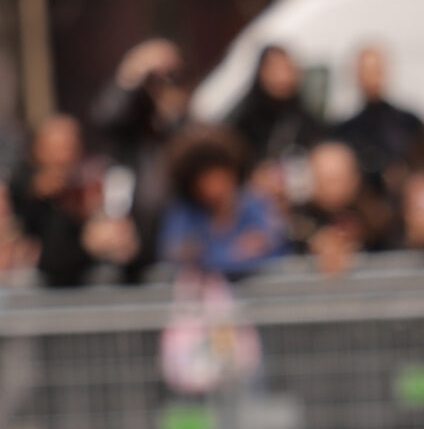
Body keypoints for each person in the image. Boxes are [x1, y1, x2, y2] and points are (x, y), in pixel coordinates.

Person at [91, 37, 189, 283]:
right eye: (154, 79)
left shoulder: (184, 121)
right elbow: (105, 117)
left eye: (170, 76)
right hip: (134, 223)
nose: (161, 84)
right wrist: (132, 73)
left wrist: (173, 112)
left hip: (178, 224)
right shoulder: (128, 125)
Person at [8, 115, 139, 286]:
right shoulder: (23, 195)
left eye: (70, 147)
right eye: (57, 148)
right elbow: (47, 258)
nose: (64, 156)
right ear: (37, 150)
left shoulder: (90, 188)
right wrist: (85, 244)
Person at [160, 125, 286, 280]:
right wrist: (231, 253)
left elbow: (277, 248)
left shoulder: (255, 205)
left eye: (218, 176)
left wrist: (208, 254)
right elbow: (174, 255)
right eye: (204, 181)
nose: (213, 188)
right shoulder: (184, 214)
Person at [289, 140, 399, 275]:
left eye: (334, 179)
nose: (326, 187)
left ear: (354, 178)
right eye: (319, 178)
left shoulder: (377, 218)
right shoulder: (296, 220)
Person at [330, 44, 424, 196]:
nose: (371, 77)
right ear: (355, 75)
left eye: (375, 70)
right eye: (365, 71)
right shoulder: (344, 131)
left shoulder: (409, 123)